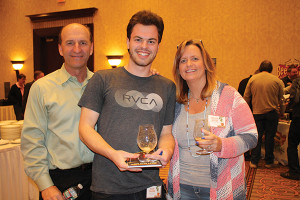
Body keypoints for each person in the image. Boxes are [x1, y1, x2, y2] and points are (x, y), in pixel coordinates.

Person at [78, 10, 176, 200]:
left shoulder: (167, 86)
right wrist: (113, 154)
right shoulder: (103, 79)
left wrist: (167, 151)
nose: (144, 46)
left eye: (151, 41)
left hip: (151, 186)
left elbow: (166, 133)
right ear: (127, 42)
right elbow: (85, 128)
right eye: (138, 39)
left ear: (158, 45)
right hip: (109, 188)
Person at [167, 40, 258, 200]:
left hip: (221, 187)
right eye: (183, 60)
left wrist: (221, 145)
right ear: (178, 68)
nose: (189, 64)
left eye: (195, 58)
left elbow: (251, 137)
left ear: (206, 64)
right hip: (183, 188)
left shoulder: (228, 96)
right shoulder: (177, 102)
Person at [21, 23, 94, 200]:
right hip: (59, 183)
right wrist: (46, 186)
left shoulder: (102, 85)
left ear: (91, 48)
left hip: (100, 179)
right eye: (70, 43)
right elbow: (32, 141)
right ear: (60, 49)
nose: (77, 49)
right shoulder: (42, 88)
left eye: (83, 43)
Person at [244, 60, 285, 169]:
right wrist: (282, 112)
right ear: (271, 69)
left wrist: (246, 111)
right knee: (270, 138)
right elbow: (281, 99)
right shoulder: (277, 80)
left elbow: (246, 96)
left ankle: (254, 161)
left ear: (260, 67)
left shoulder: (252, 79)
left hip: (257, 112)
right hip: (272, 113)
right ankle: (269, 161)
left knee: (256, 137)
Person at [280, 76, 300, 180]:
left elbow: (295, 98)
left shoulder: (297, 81)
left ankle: (294, 171)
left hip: (298, 116)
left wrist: (288, 105)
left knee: (292, 144)